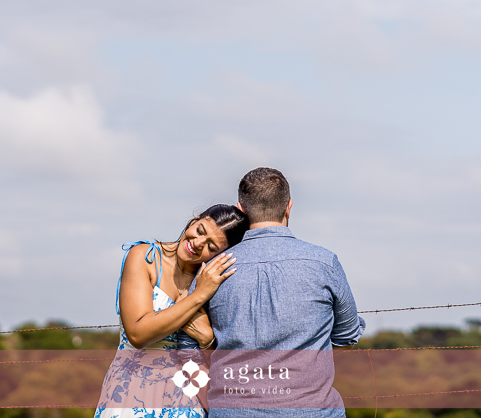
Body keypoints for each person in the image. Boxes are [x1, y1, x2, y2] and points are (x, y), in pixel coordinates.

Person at [201, 167, 365, 417]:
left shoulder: (213, 270)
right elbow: (347, 336)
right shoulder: (324, 262)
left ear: (241, 210)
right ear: (289, 207)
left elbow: (189, 346)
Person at [94, 203, 249, 418]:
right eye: (200, 231)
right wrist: (198, 296)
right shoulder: (145, 257)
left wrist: (207, 341)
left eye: (211, 247)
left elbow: (227, 357)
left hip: (188, 398)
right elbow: (138, 334)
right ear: (195, 219)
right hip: (132, 392)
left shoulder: (215, 282)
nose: (197, 243)